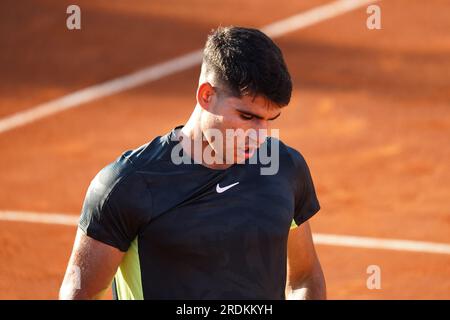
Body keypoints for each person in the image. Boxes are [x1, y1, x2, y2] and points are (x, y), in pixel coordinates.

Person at [60, 26, 326, 300]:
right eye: (247, 117)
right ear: (206, 96)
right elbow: (79, 294)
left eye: (270, 120)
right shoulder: (129, 185)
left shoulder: (284, 168)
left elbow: (305, 277)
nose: (261, 136)